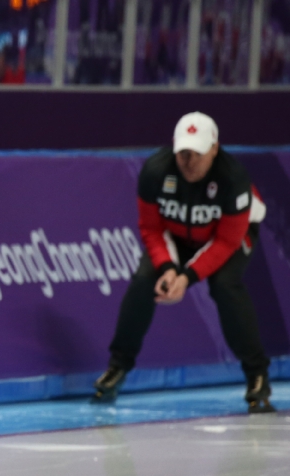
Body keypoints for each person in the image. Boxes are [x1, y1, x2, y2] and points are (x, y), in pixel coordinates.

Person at [92, 112, 274, 414]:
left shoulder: (234, 178)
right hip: (176, 235)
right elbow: (151, 228)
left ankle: (257, 376)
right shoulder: (155, 171)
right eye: (183, 153)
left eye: (198, 154)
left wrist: (186, 277)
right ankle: (117, 368)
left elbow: (226, 242)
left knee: (225, 285)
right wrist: (167, 268)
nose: (189, 162)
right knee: (143, 281)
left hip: (228, 234)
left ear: (214, 149)